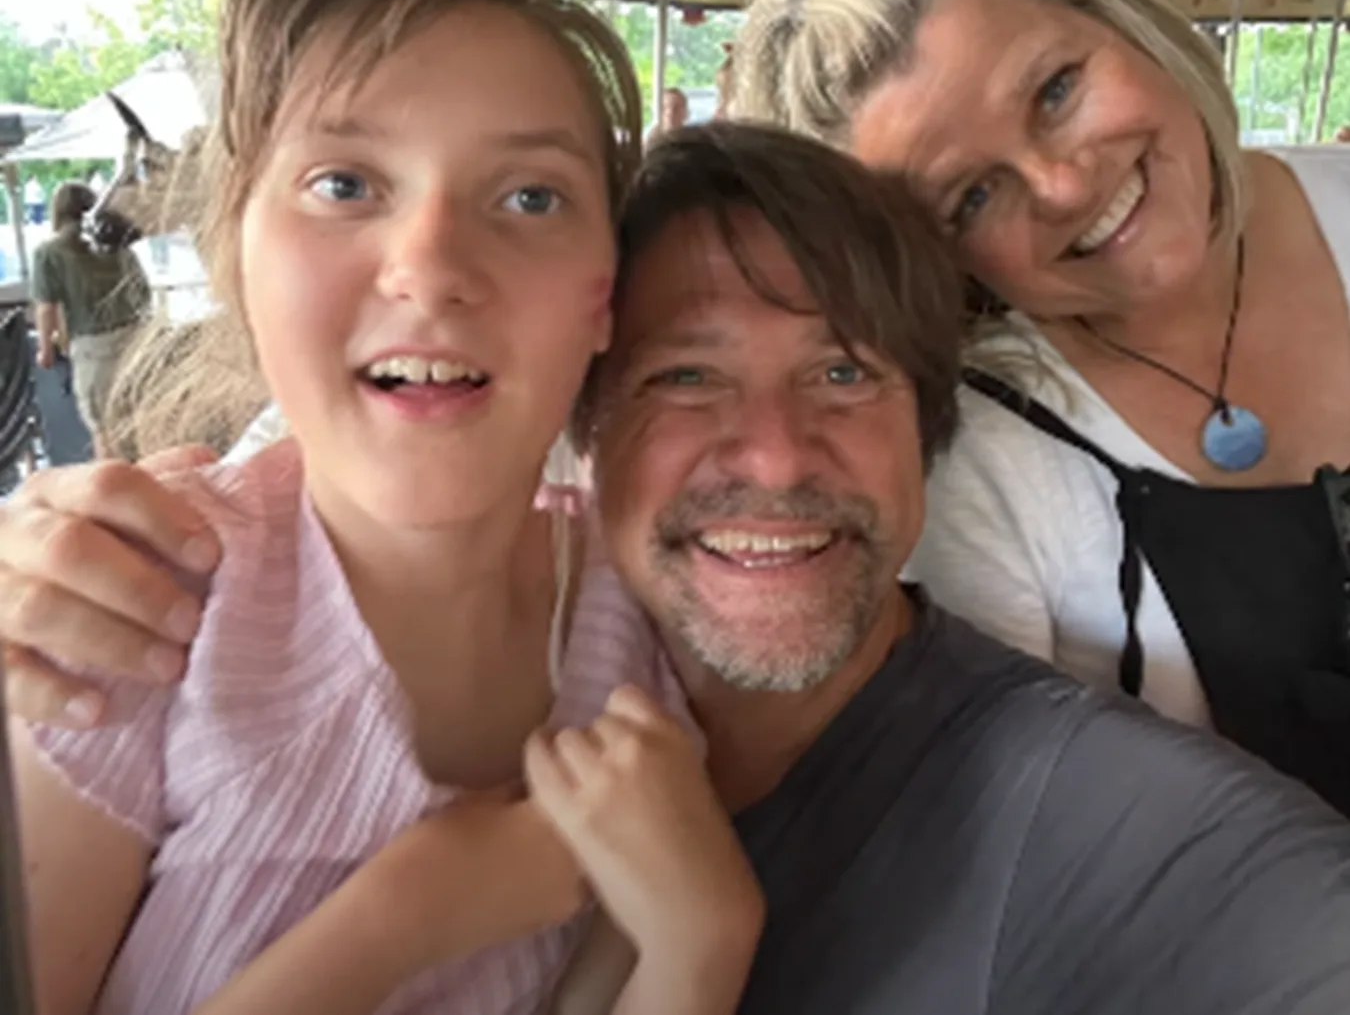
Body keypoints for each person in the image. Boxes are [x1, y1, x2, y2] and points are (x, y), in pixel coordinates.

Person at [7, 123, 1350, 1014]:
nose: (772, 454)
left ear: (923, 424)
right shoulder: (466, 690)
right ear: (574, 430)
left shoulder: (1103, 824)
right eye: (685, 375)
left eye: (842, 371)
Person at [1, 0, 761, 1015]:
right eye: (344, 184)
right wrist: (406, 914)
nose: (432, 266)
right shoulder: (126, 605)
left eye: (530, 195)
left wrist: (705, 943)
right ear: (237, 255)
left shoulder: (639, 638)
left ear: (606, 295)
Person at [734, 0, 1350, 817]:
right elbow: (1033, 847)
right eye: (973, 195)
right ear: (941, 265)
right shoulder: (978, 457)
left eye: (1057, 90)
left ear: (1121, 21)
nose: (1062, 186)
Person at [30, 181, 150, 457]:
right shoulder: (117, 245)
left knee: (104, 431)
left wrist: (45, 350)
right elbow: (142, 291)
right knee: (136, 425)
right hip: (136, 340)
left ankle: (115, 492)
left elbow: (46, 308)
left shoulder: (50, 253)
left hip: (94, 349)